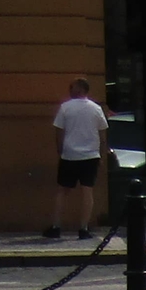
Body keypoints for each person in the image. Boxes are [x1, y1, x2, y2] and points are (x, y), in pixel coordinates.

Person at [47, 77, 109, 240]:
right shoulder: (96, 109)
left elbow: (59, 132)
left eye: (72, 87)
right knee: (87, 191)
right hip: (90, 155)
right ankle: (83, 228)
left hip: (69, 155)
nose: (70, 90)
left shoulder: (65, 108)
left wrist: (60, 150)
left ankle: (56, 227)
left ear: (80, 89)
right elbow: (102, 134)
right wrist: (101, 154)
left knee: (62, 191)